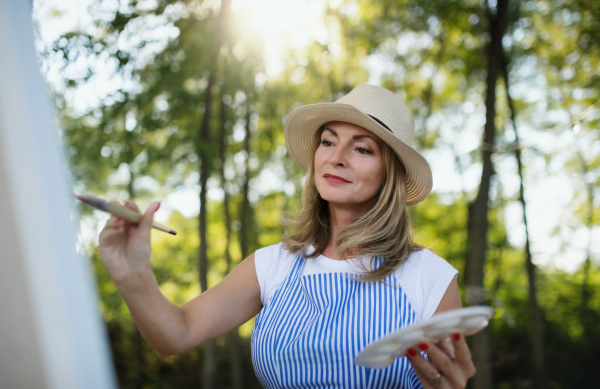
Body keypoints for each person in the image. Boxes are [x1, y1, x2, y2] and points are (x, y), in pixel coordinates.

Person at [99, 83, 476, 388]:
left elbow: (446, 379)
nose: (337, 156)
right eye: (328, 141)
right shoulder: (272, 265)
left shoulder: (430, 276)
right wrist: (133, 274)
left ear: (388, 175)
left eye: (361, 148)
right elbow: (175, 336)